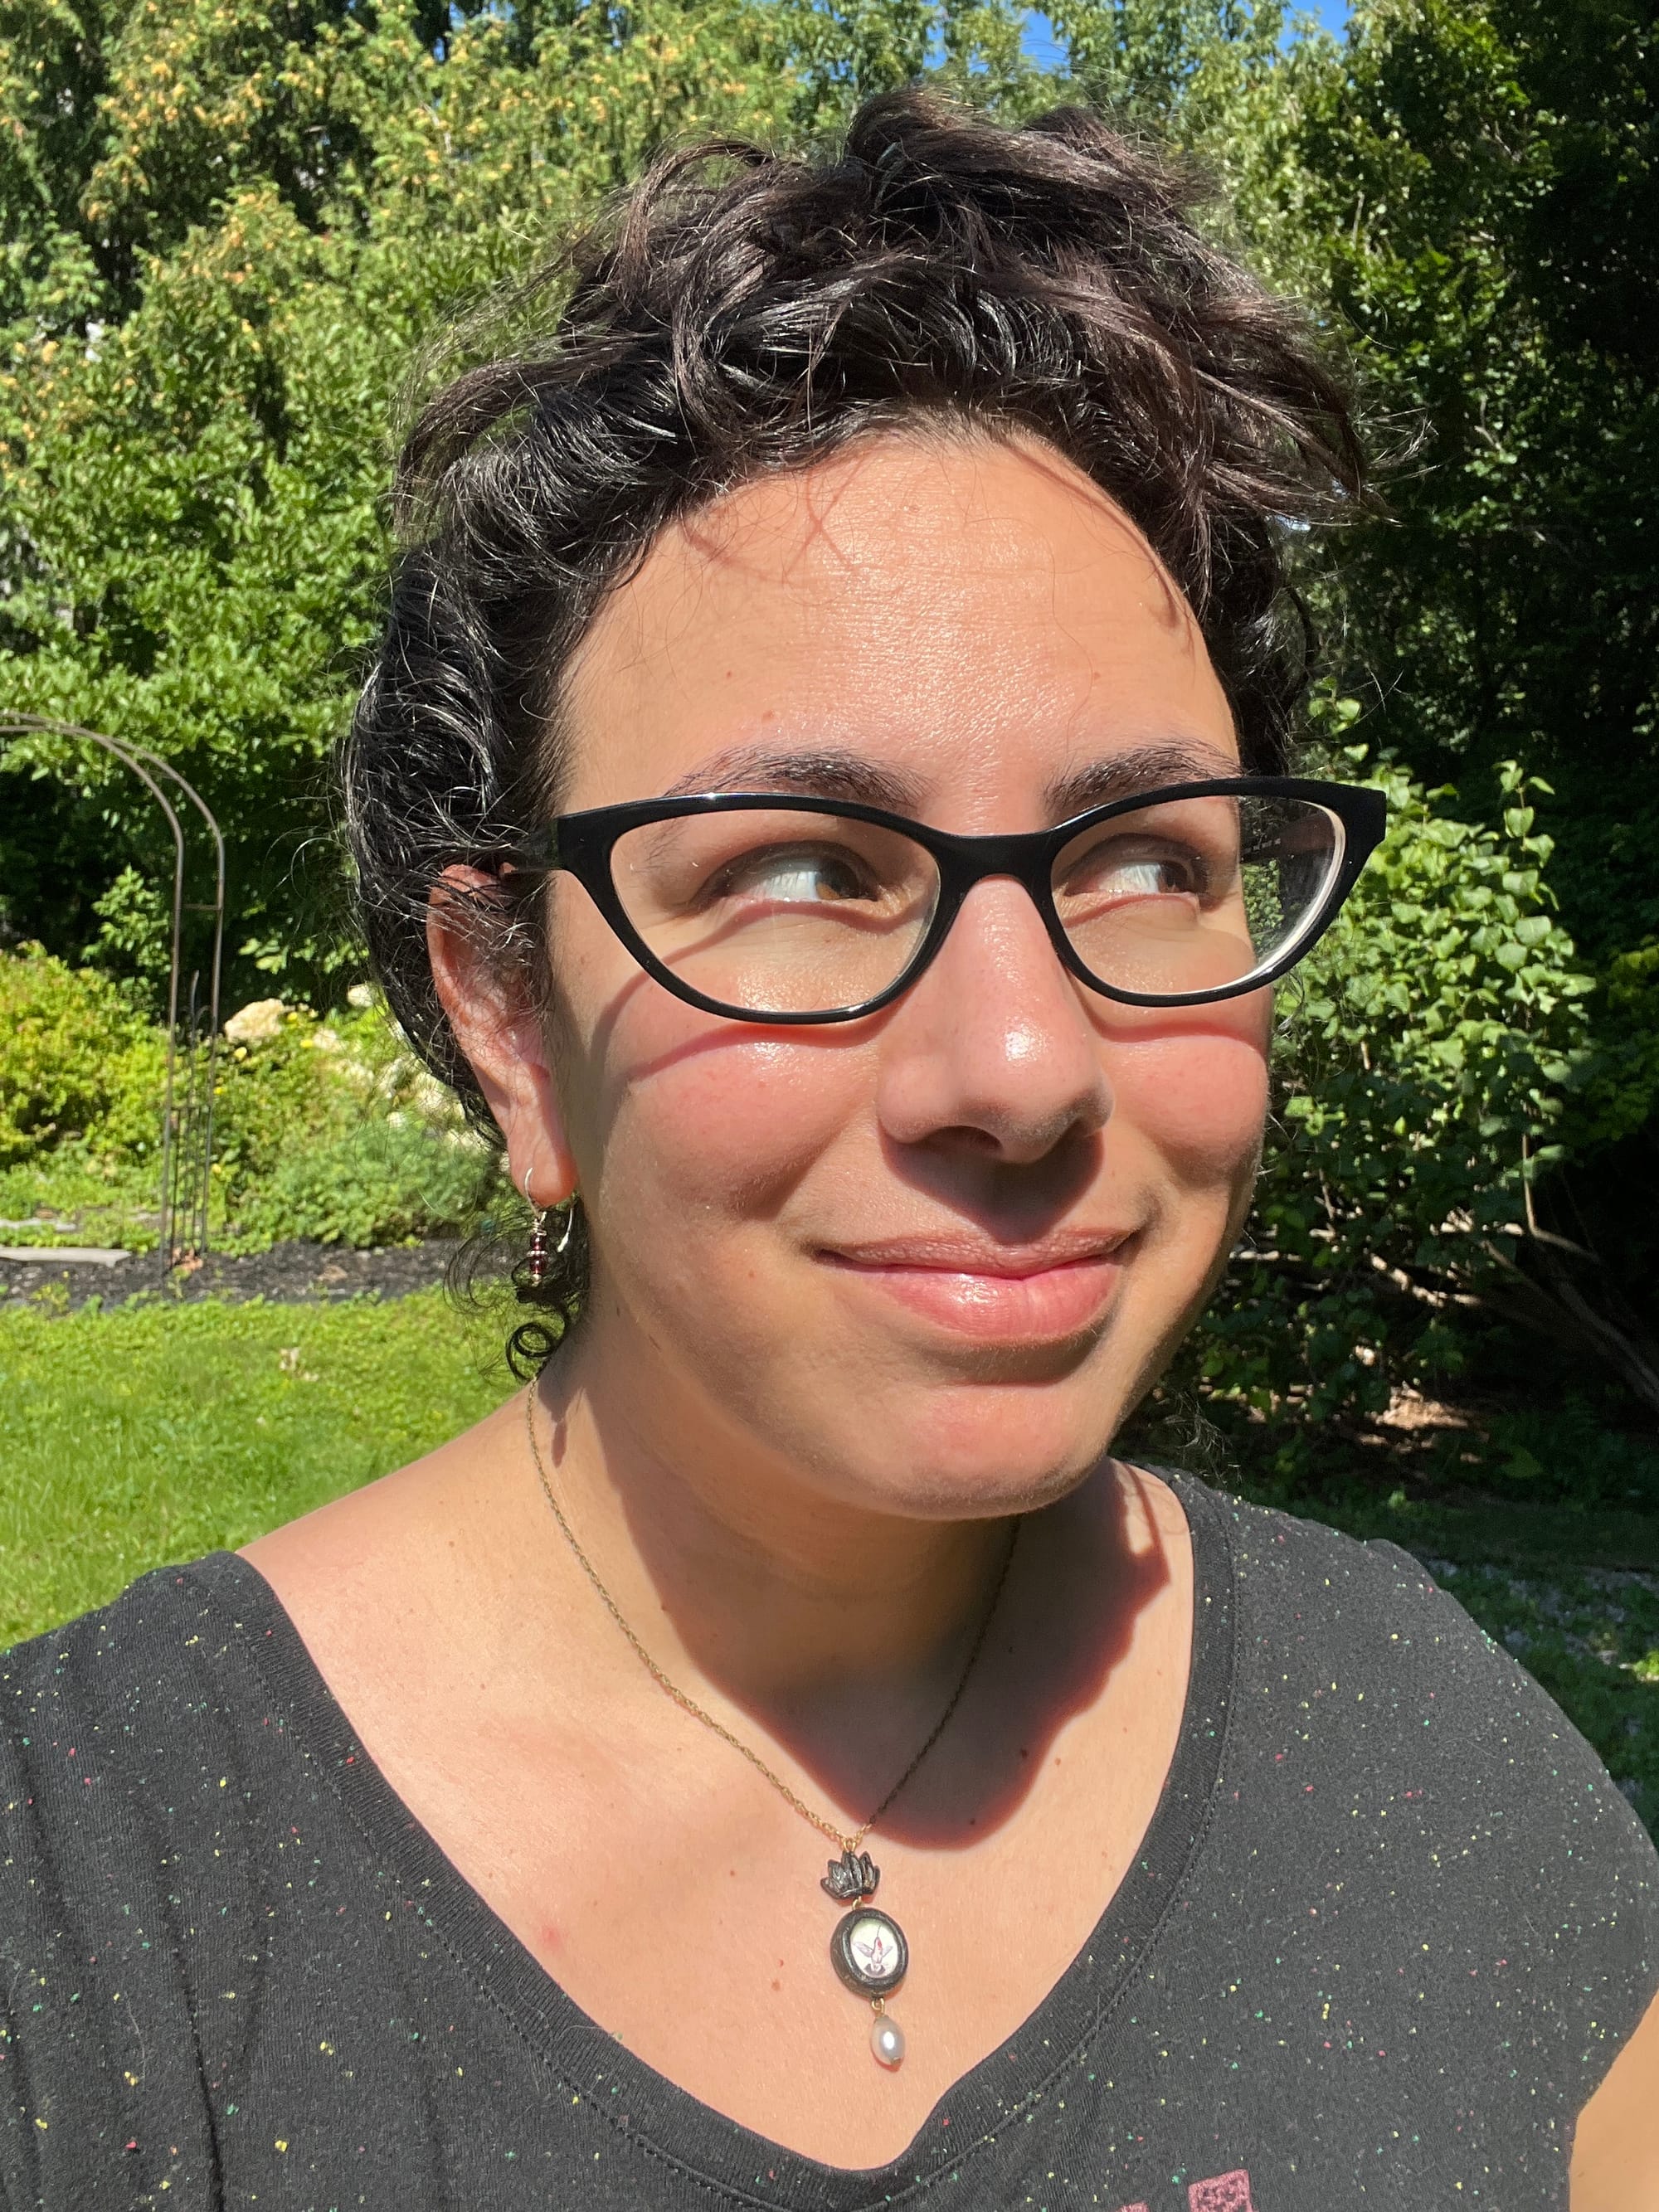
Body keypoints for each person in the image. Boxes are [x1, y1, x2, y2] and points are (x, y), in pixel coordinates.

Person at [1, 90, 1654, 2212]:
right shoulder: (89, 1920)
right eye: (797, 867)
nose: (1025, 1060)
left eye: (1146, 855)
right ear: (509, 1017)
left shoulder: (1440, 1771)